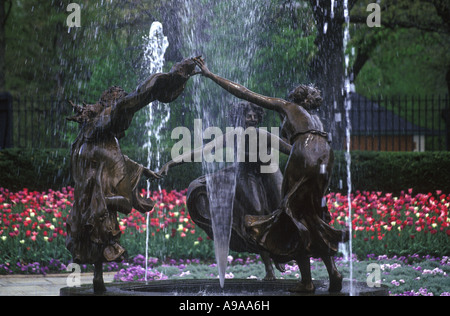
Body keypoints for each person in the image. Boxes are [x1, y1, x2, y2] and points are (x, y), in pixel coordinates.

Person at [193, 56, 349, 293]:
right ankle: (333, 271)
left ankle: (306, 282)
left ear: (292, 98)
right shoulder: (314, 117)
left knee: (291, 216)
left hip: (305, 153)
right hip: (325, 154)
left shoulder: (287, 107)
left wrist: (210, 74)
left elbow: (245, 93)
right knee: (313, 215)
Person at [66, 58, 199, 293]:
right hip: (95, 177)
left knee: (98, 222)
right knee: (110, 212)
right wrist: (171, 76)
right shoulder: (111, 113)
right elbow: (138, 97)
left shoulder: (98, 129)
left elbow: (111, 153)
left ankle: (98, 274)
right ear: (111, 99)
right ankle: (99, 264)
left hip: (92, 174)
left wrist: (140, 169)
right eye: (118, 96)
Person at [159, 101, 291, 280]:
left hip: (269, 173)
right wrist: (172, 162)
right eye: (247, 115)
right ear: (239, 118)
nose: (251, 118)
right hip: (245, 176)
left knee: (285, 208)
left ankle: (280, 253)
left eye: (254, 115)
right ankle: (269, 268)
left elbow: (291, 150)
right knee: (258, 216)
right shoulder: (232, 136)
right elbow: (202, 151)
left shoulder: (265, 135)